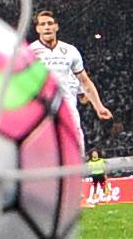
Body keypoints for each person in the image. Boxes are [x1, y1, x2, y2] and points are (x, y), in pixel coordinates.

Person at [28, 10, 112, 146]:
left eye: (50, 23)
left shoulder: (70, 51)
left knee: (76, 148)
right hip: (43, 113)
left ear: (56, 26)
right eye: (42, 24)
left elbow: (84, 81)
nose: (47, 27)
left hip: (68, 110)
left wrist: (99, 106)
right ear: (37, 29)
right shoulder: (30, 52)